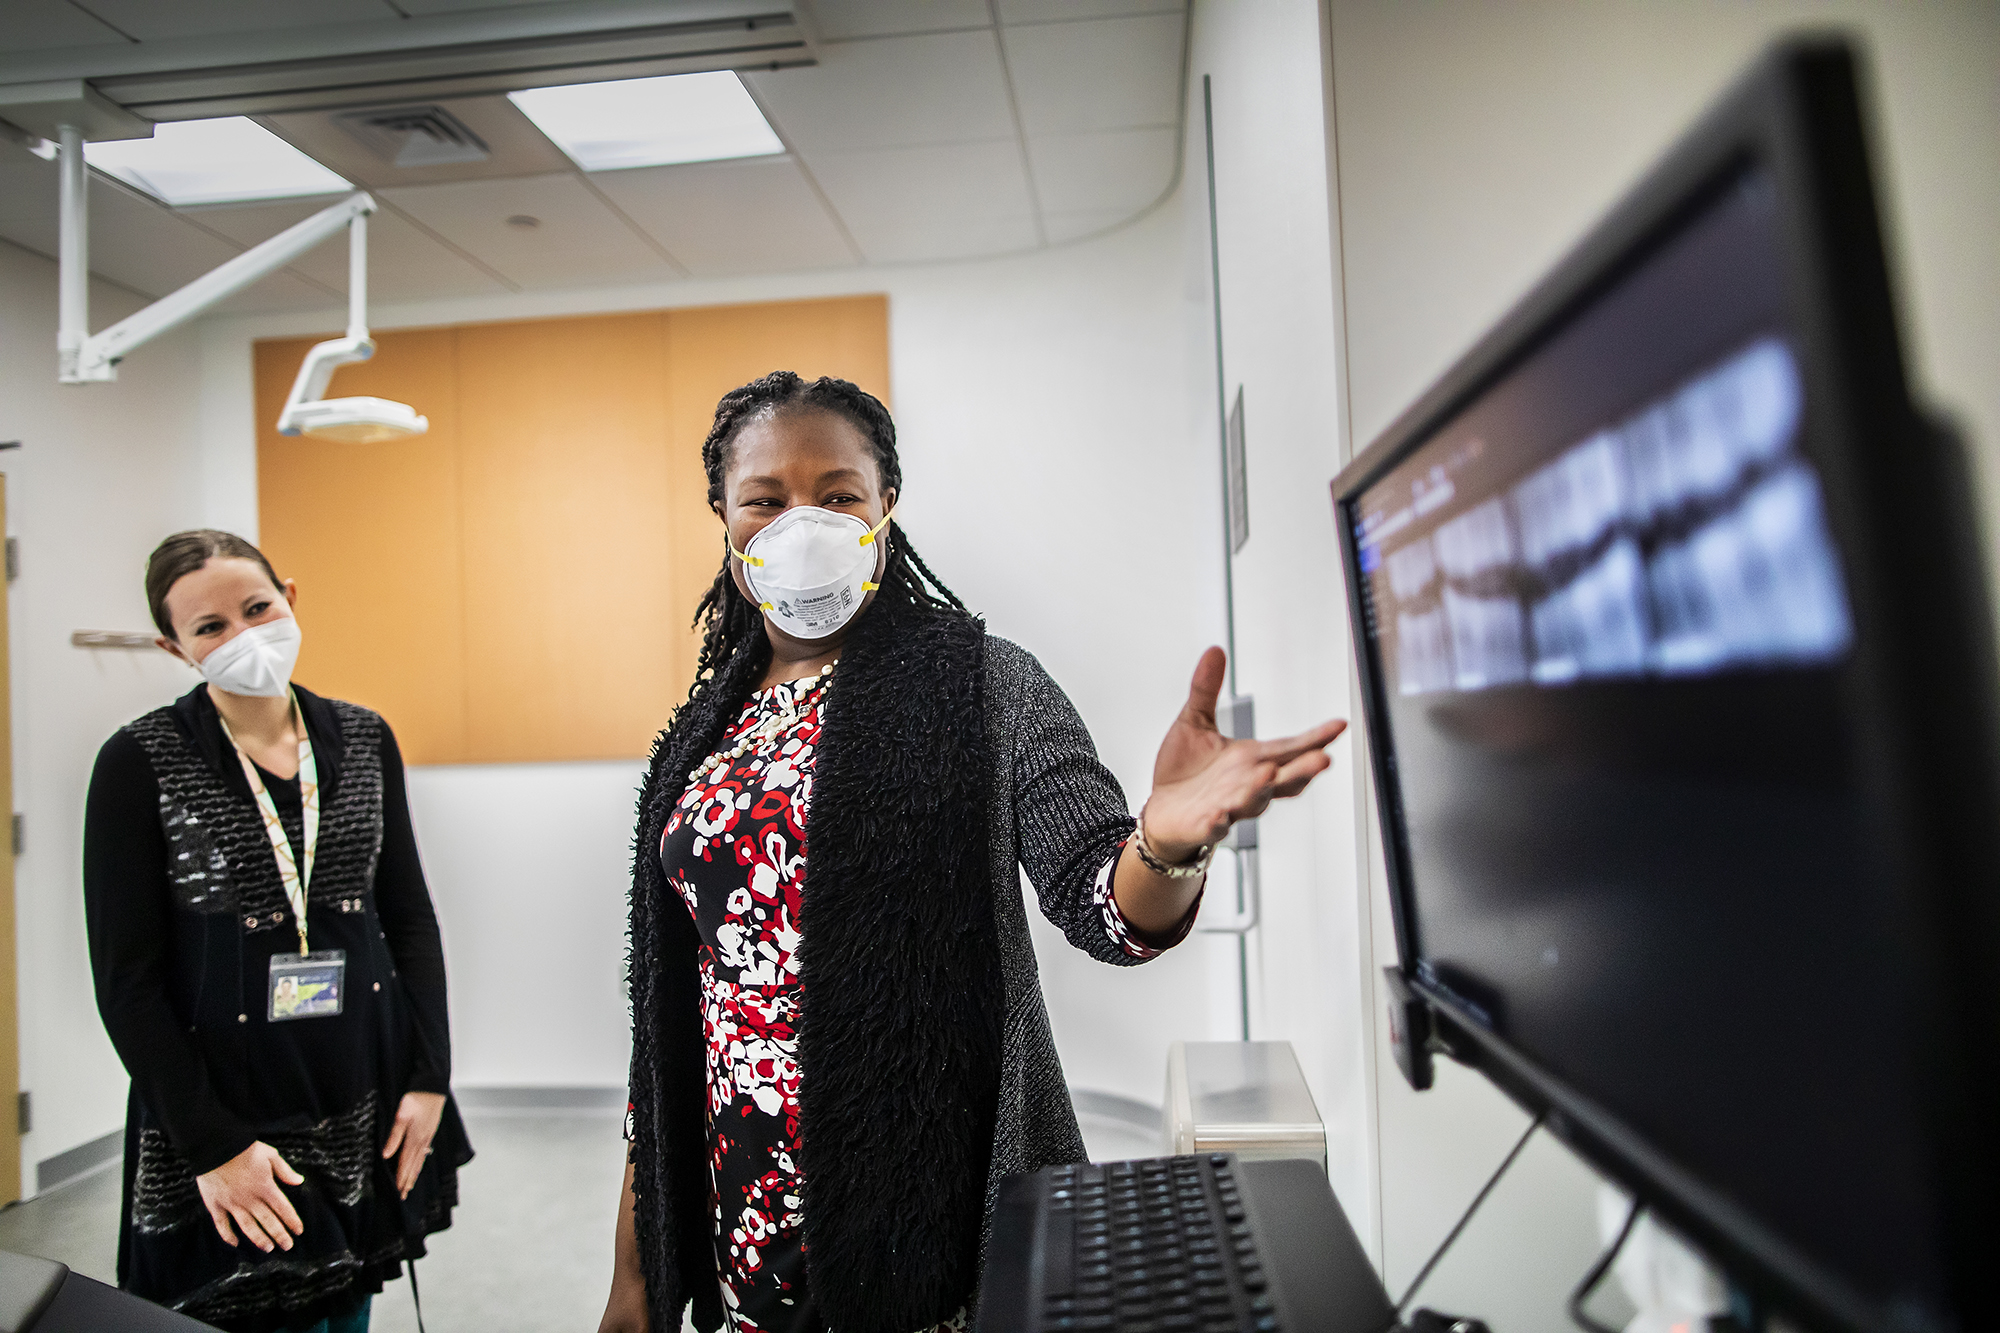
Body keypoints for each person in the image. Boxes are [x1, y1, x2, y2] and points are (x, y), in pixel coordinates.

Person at [600, 374, 1347, 1333]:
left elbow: (1104, 905)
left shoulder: (986, 685)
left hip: (932, 1233)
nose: (803, 524)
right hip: (746, 1228)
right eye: (765, 500)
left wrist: (1163, 843)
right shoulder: (703, 732)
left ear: (885, 506)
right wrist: (636, 1266)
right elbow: (668, 1022)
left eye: (837, 495)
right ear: (723, 517)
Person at [84, 530, 472, 1333]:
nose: (244, 636)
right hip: (223, 1110)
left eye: (257, 607)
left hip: (360, 1083)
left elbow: (409, 916)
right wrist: (213, 1147)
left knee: (349, 1309)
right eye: (210, 626)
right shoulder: (138, 761)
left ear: (289, 598)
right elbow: (128, 982)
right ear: (175, 646)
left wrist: (431, 1074)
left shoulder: (363, 738)